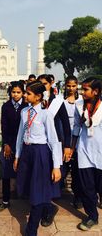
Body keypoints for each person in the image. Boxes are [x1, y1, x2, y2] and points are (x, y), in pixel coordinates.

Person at [13, 80, 62, 236]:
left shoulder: (45, 114)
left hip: (40, 153)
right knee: (28, 187)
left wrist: (56, 166)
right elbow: (20, 135)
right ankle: (48, 206)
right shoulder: (24, 112)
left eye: (28, 93)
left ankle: (31, 229)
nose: (25, 95)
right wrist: (17, 155)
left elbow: (54, 140)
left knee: (38, 190)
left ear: (38, 96)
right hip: (27, 152)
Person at [37, 74, 71, 227]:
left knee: (53, 176)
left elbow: (66, 125)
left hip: (55, 144)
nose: (43, 86)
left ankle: (48, 209)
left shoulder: (57, 102)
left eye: (45, 84)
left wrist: (67, 146)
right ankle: (46, 207)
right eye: (40, 84)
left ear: (51, 83)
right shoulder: (36, 102)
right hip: (40, 145)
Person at [71, 77, 102, 231]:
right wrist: (71, 147)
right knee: (87, 186)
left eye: (86, 89)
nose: (82, 92)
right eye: (82, 89)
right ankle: (92, 216)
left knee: (99, 185)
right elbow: (76, 127)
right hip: (84, 150)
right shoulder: (78, 105)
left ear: (95, 91)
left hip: (100, 152)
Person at [0, 81, 28, 212]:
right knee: (6, 173)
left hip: (24, 143)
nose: (16, 95)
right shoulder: (6, 106)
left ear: (23, 93)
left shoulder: (26, 106)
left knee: (24, 171)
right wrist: (6, 144)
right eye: (13, 92)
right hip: (9, 143)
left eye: (18, 92)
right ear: (10, 93)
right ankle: (6, 200)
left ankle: (25, 196)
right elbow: (4, 126)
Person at [63, 76, 82, 209]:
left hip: (79, 140)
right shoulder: (61, 102)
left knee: (77, 170)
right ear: (65, 86)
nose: (71, 88)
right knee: (64, 167)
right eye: (68, 86)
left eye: (73, 86)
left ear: (77, 86)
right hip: (65, 139)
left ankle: (78, 196)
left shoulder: (81, 101)